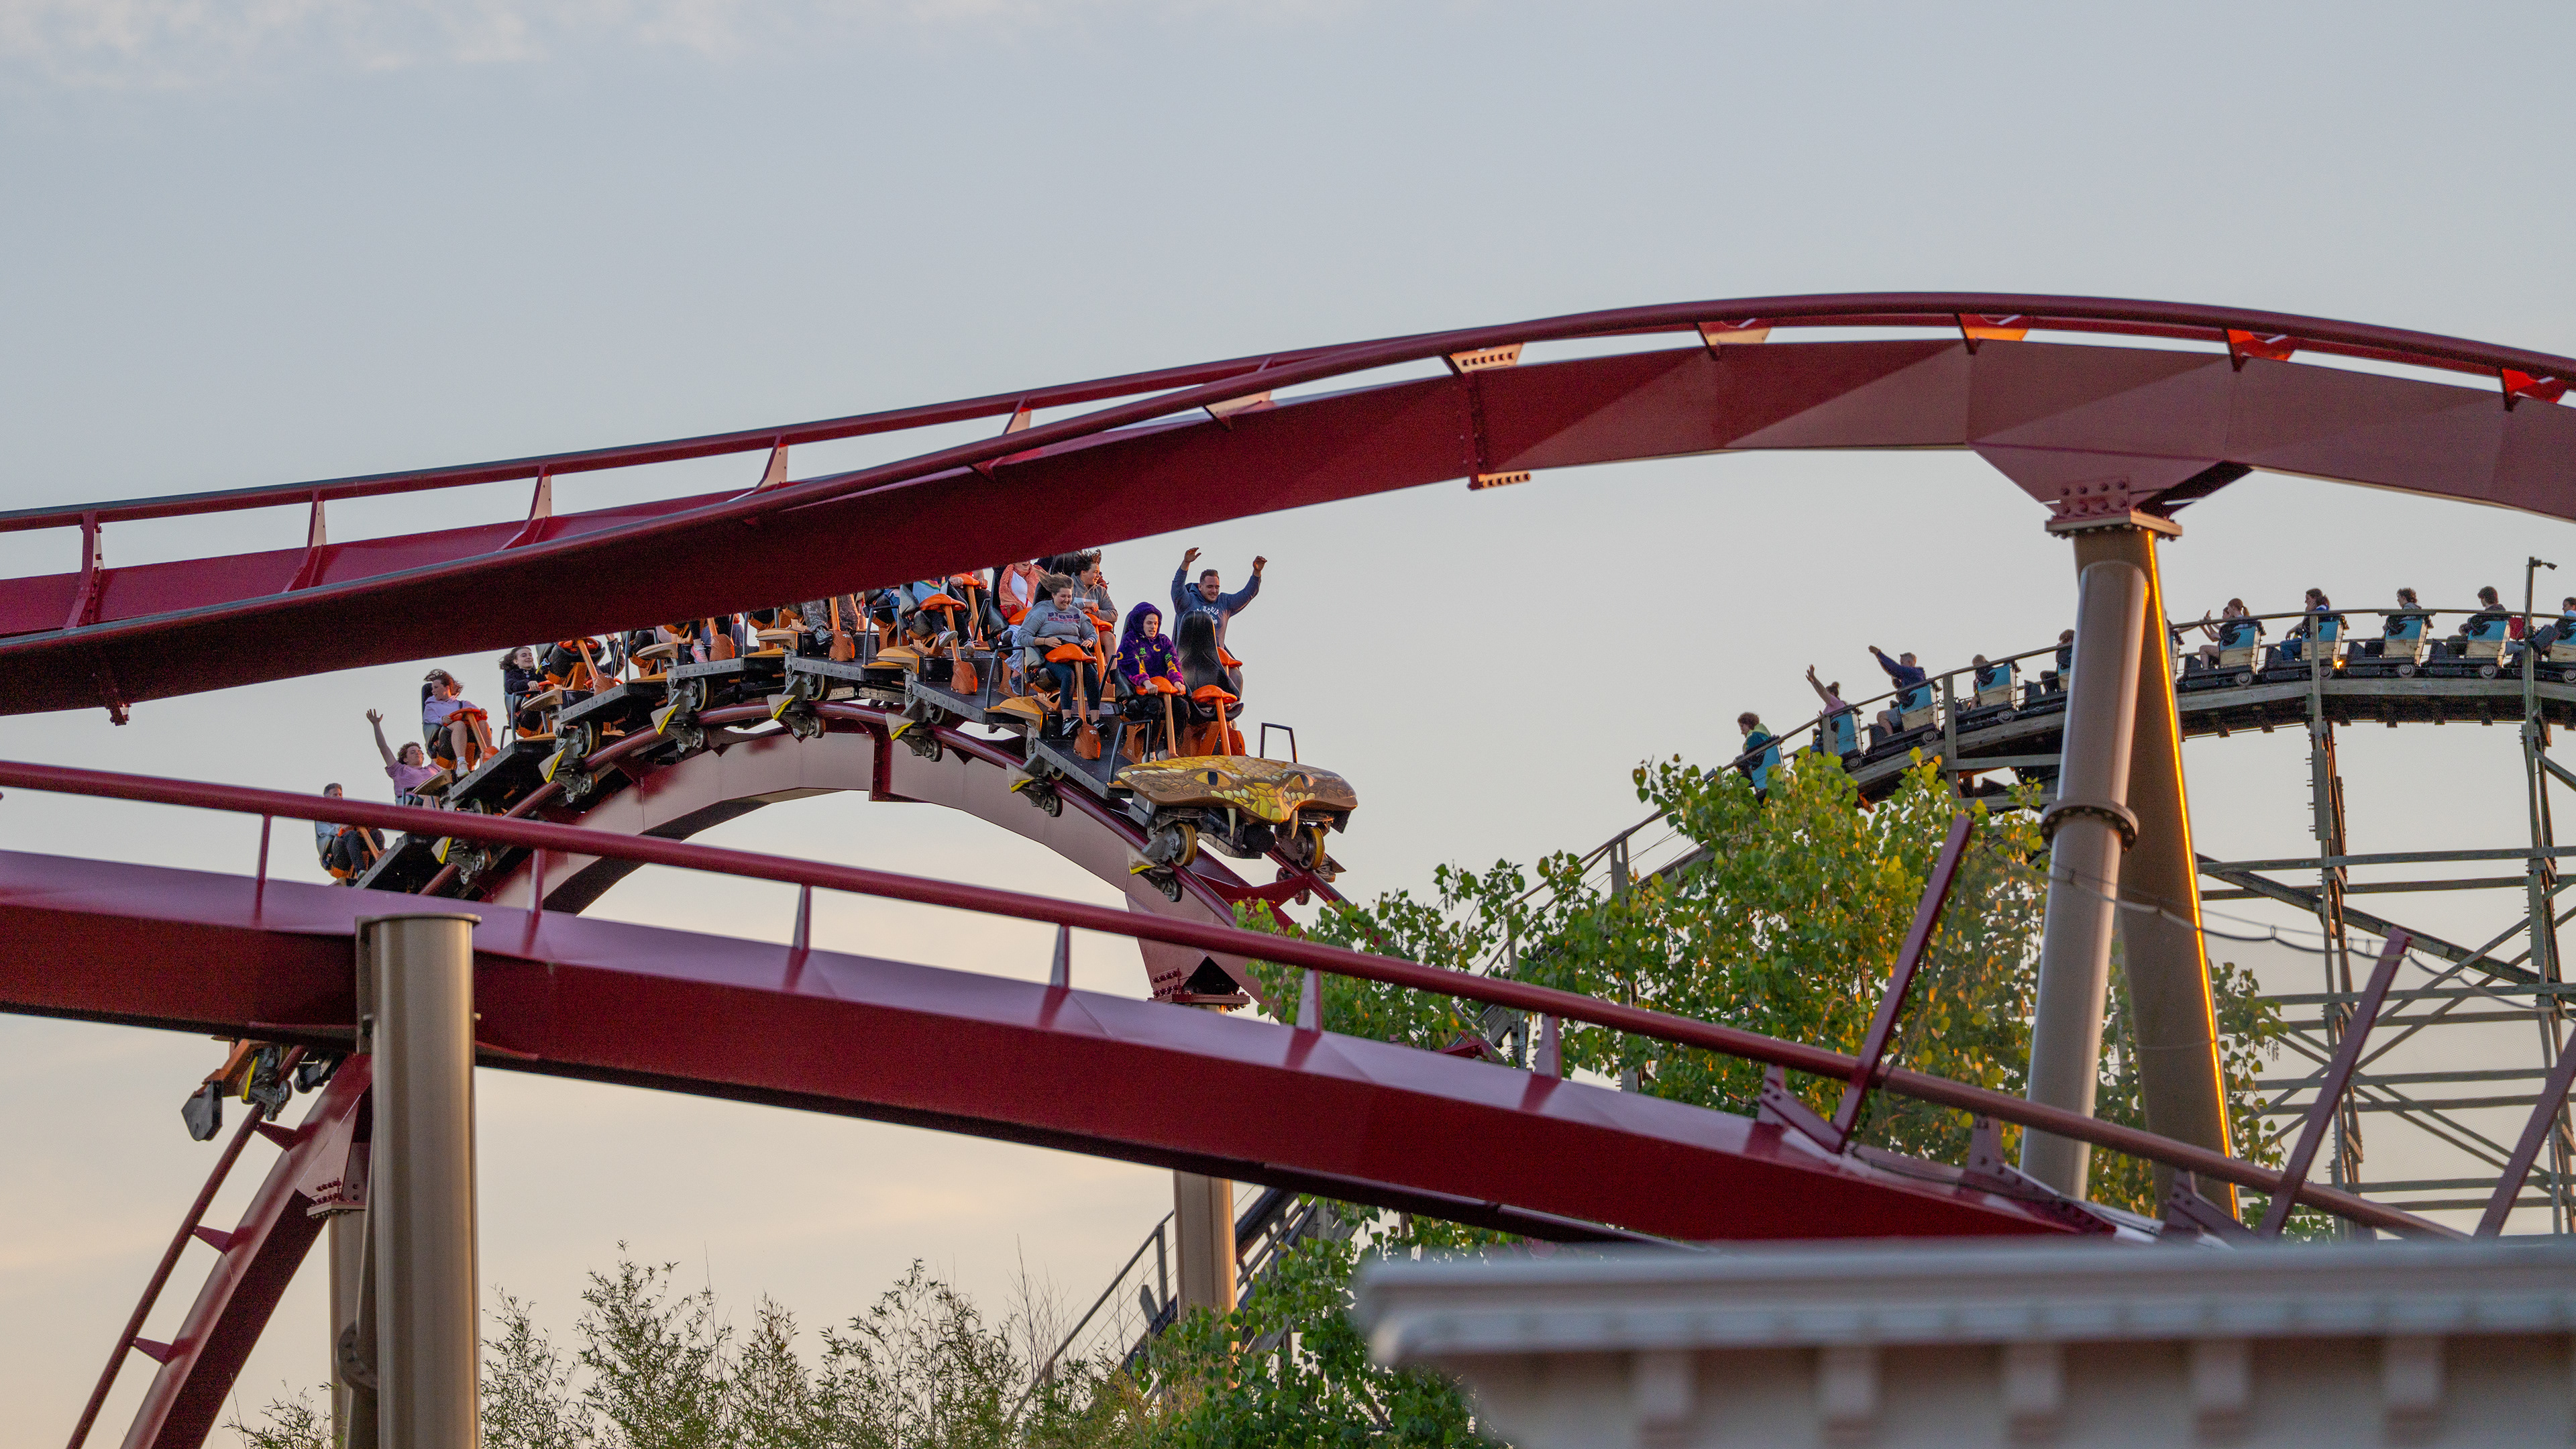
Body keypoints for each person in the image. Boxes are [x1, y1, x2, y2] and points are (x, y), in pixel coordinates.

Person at [1020, 576, 1095, 733]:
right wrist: (1044, 641)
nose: (1066, 600)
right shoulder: (1041, 611)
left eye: (1069, 596)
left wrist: (1090, 640)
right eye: (1063, 596)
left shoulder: (1076, 613)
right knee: (1068, 675)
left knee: (1092, 675)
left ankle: (1096, 722)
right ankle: (1067, 720)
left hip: (1075, 654)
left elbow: (1091, 632)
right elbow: (1022, 637)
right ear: (1053, 595)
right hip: (1052, 657)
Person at [368, 708, 445, 806]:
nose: (417, 753)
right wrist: (376, 725)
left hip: (438, 799)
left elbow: (440, 747)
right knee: (430, 797)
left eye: (419, 752)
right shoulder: (399, 770)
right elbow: (384, 748)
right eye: (413, 752)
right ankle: (431, 820)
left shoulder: (433, 768)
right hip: (413, 802)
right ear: (405, 759)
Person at [420, 669, 491, 770]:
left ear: (447, 688)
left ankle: (486, 757)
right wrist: (442, 719)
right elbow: (430, 720)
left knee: (483, 723)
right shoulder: (431, 706)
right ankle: (461, 762)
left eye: (436, 687)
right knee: (459, 724)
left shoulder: (462, 704)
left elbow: (475, 711)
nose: (433, 691)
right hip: (444, 737)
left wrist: (482, 712)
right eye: (432, 688)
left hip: (468, 732)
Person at [1866, 645, 1927, 745]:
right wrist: (1879, 659)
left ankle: (1892, 740)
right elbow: (1892, 671)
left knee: (1881, 716)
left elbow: (1895, 668)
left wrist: (1879, 653)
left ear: (1910, 663)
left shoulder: (1912, 672)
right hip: (1912, 707)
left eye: (1902, 663)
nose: (1901, 665)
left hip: (1910, 709)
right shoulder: (1916, 675)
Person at [1804, 666, 1856, 755]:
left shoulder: (1836, 703)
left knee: (1805, 754)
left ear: (1832, 694)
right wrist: (1813, 682)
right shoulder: (1830, 707)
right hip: (1828, 738)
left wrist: (1814, 680)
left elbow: (1822, 692)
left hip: (1835, 740)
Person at [1737, 712, 1780, 794]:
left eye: (1742, 726)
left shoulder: (1753, 737)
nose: (1742, 732)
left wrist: (1741, 763)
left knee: (1738, 781)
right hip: (1771, 769)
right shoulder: (1763, 734)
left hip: (1760, 770)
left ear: (1749, 723)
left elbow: (1753, 756)